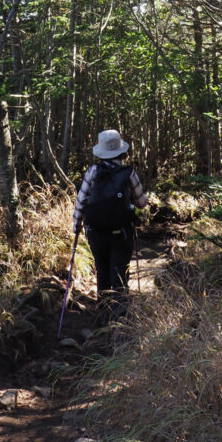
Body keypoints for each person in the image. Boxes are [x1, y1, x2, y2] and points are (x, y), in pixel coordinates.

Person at [73, 129, 148, 325]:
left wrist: (76, 227)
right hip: (121, 234)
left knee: (102, 271)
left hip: (96, 233)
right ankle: (120, 322)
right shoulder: (128, 172)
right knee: (120, 275)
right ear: (121, 151)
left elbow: (81, 202)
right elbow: (142, 202)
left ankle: (103, 319)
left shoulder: (93, 171)